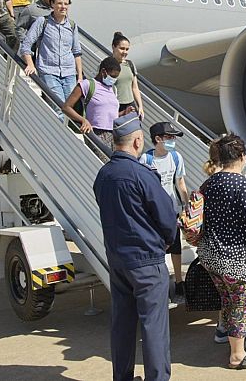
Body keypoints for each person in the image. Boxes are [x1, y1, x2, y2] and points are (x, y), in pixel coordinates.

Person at [93, 112, 176, 381]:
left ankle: (123, 376)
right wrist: (166, 240)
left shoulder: (103, 175)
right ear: (138, 141)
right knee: (154, 326)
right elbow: (166, 216)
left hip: (118, 261)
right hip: (147, 261)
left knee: (123, 324)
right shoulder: (142, 175)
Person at [197, 134, 246, 369]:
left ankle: (226, 334)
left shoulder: (209, 183)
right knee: (240, 304)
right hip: (240, 260)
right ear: (241, 157)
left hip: (213, 256)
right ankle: (237, 355)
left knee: (228, 300)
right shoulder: (243, 184)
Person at [139, 121, 189, 304]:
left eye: (173, 137)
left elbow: (180, 183)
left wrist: (186, 205)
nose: (172, 141)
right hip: (153, 214)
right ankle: (160, 284)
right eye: (169, 137)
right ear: (157, 139)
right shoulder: (146, 160)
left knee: (176, 246)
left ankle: (178, 282)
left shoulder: (176, 157)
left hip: (171, 210)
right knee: (158, 249)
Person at [20, 0, 83, 114]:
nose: (63, 7)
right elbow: (26, 44)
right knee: (58, 108)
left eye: (66, 4)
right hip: (49, 71)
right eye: (59, 3)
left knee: (69, 109)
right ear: (52, 4)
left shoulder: (71, 25)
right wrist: (30, 64)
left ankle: (64, 132)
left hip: (69, 73)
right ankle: (60, 133)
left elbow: (76, 52)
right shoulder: (43, 22)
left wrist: (79, 76)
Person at [62, 56, 121, 150]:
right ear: (103, 72)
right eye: (112, 76)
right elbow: (66, 107)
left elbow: (107, 112)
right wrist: (83, 120)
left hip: (114, 134)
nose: (113, 80)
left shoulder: (113, 89)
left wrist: (124, 113)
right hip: (96, 132)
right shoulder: (87, 84)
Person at [111, 32, 144, 120]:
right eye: (122, 48)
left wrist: (140, 106)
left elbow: (135, 87)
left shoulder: (130, 64)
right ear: (113, 47)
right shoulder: (107, 65)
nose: (125, 52)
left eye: (127, 49)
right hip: (115, 106)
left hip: (130, 105)